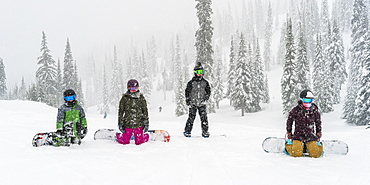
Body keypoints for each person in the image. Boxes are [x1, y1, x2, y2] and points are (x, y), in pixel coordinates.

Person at [285, 90, 323, 158]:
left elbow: (318, 122)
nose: (308, 102)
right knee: (296, 153)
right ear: (301, 99)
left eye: (310, 100)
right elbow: (289, 120)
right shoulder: (296, 110)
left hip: (310, 136)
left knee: (315, 154)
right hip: (298, 136)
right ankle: (288, 145)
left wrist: (318, 132)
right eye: (306, 100)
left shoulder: (314, 111)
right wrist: (289, 132)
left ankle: (317, 146)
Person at [116, 79, 149, 145]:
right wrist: (120, 122)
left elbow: (145, 110)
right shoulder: (124, 98)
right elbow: (121, 111)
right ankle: (118, 136)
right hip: (128, 124)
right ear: (128, 88)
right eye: (131, 88)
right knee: (125, 142)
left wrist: (146, 122)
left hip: (139, 124)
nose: (133, 89)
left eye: (135, 88)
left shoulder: (141, 98)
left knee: (139, 142)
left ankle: (146, 136)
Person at [183, 63, 211, 138]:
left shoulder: (205, 82)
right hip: (193, 103)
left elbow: (208, 91)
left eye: (201, 72)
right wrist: (188, 100)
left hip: (202, 103)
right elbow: (187, 92)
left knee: (204, 118)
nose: (200, 74)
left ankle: (205, 131)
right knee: (191, 118)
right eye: (198, 72)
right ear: (195, 73)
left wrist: (206, 98)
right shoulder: (191, 83)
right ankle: (187, 131)